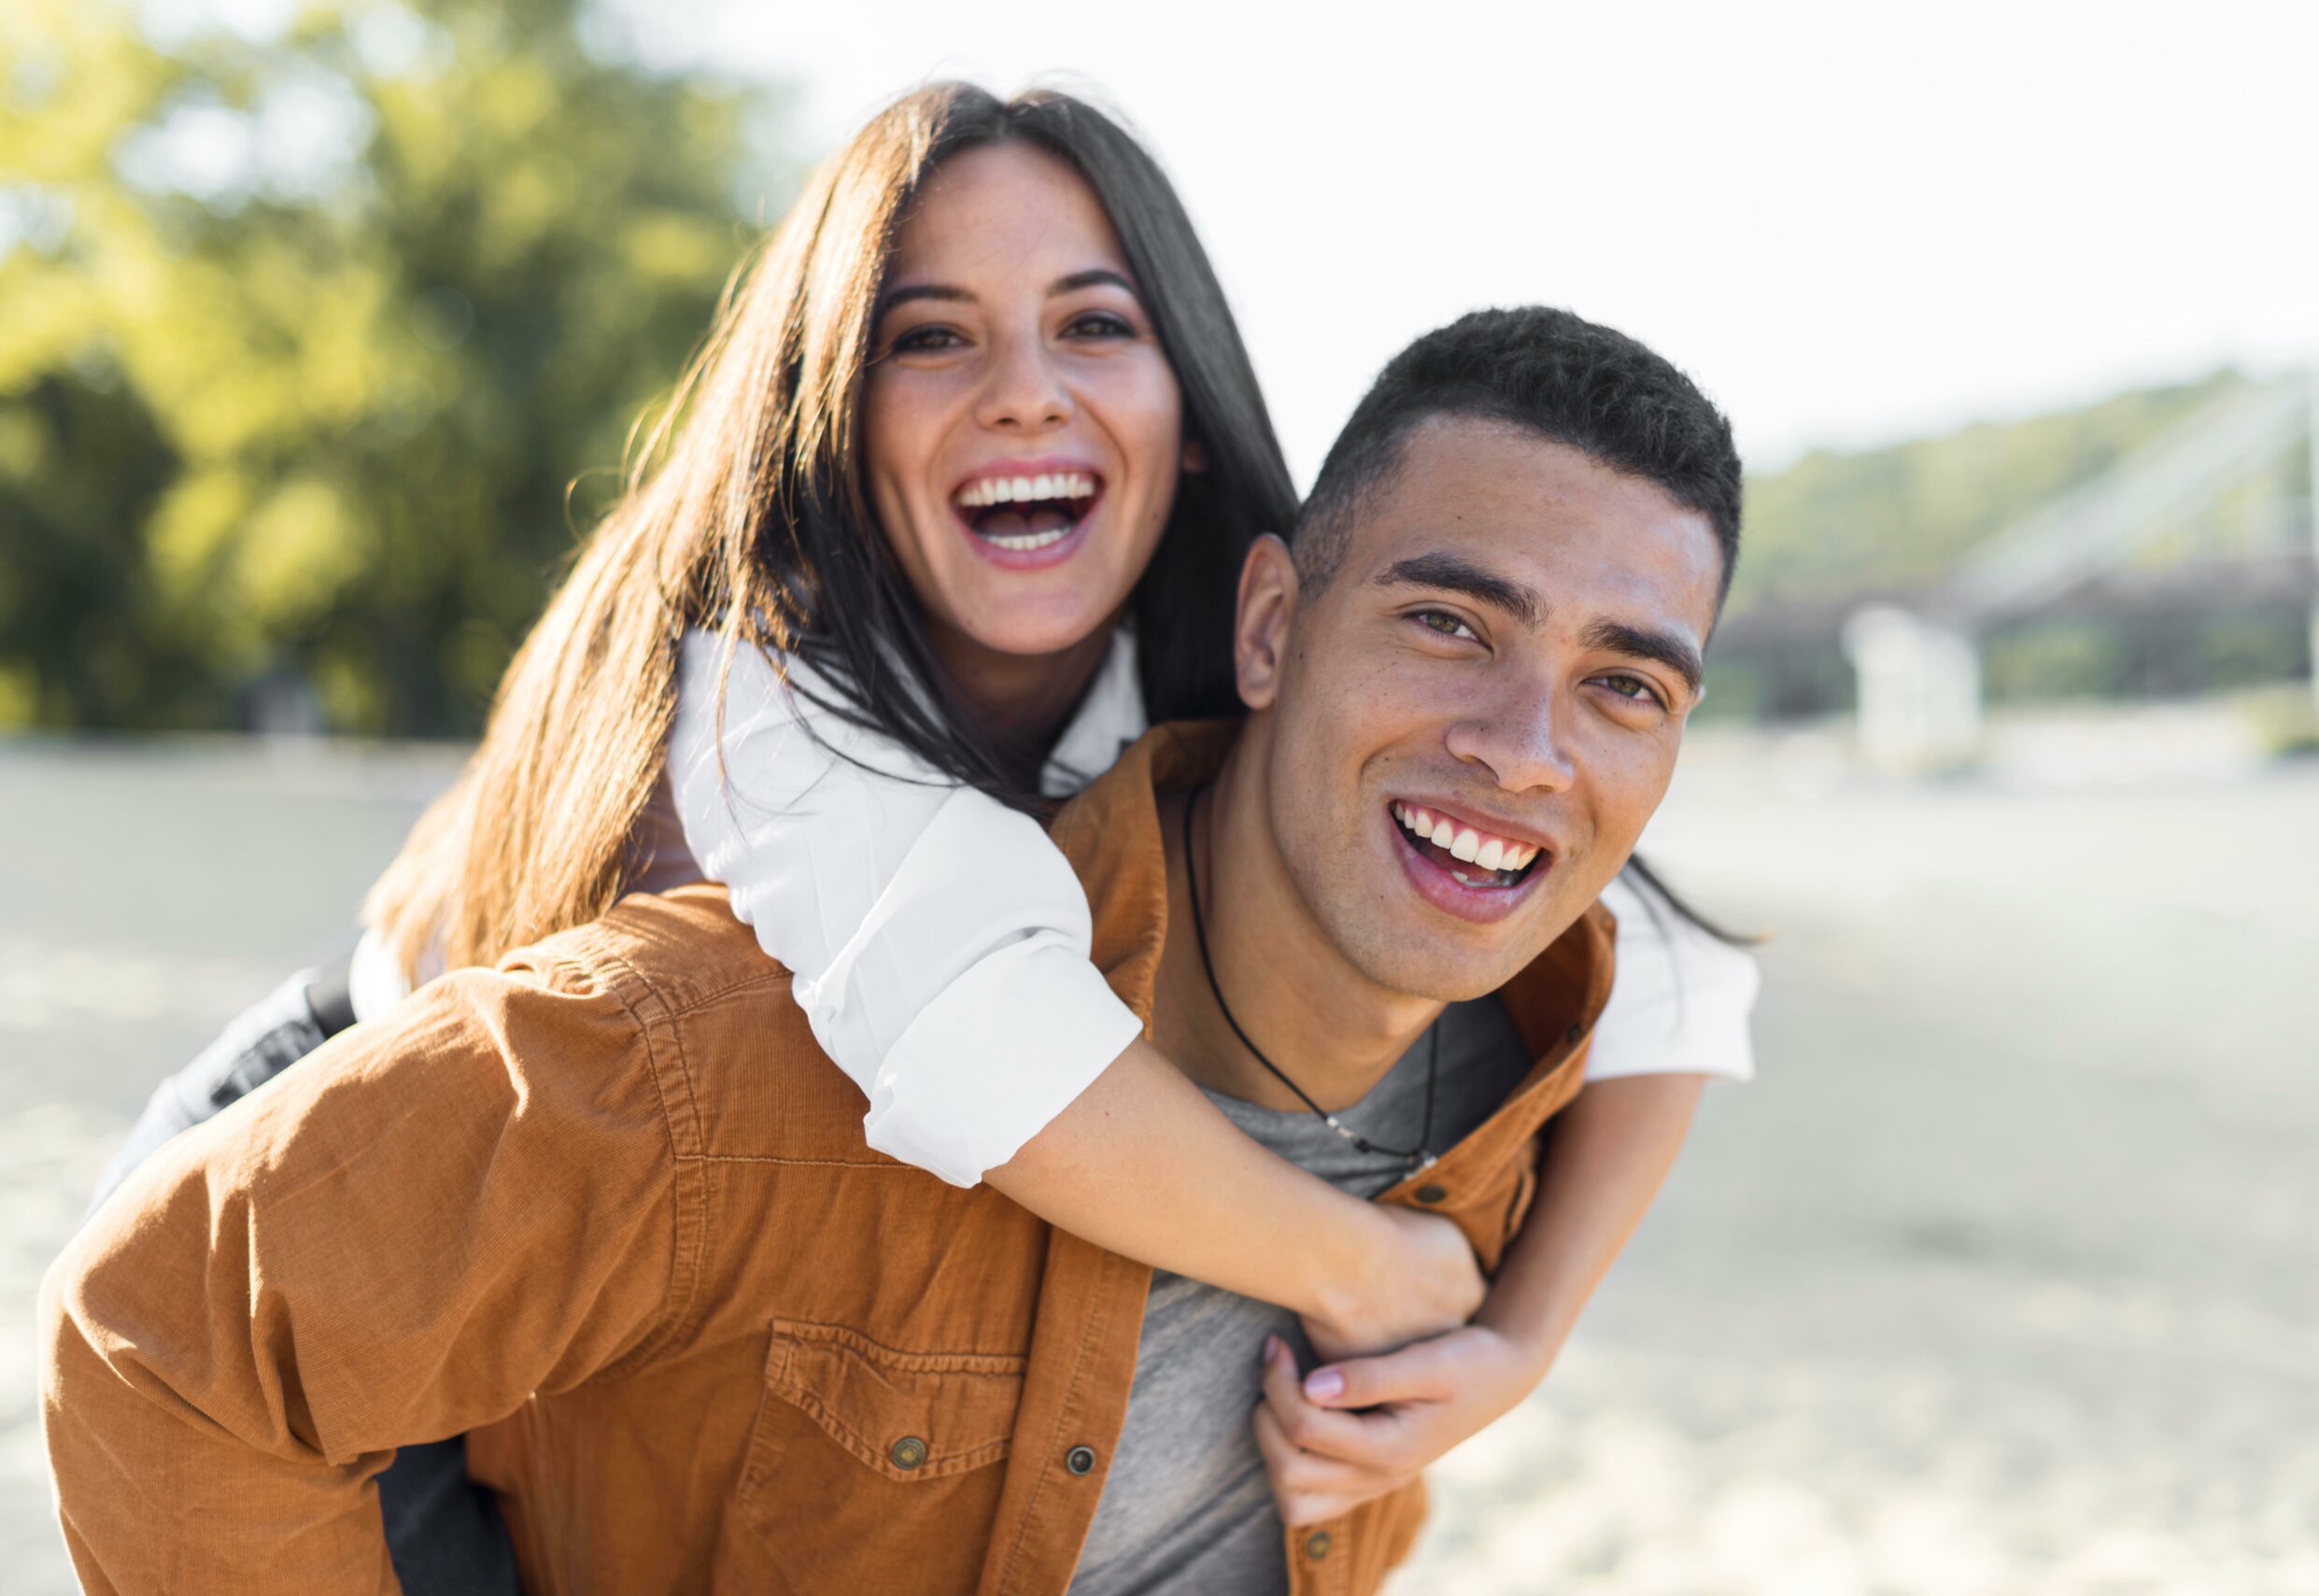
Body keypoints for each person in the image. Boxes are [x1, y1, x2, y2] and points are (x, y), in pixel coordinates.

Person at [80, 83, 1754, 1588]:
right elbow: (973, 1036)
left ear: (1183, 390)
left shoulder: (1233, 645)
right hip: (363, 1123)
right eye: (929, 335)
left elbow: (1663, 960)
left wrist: (1521, 1339)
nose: (1025, 394)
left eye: (1094, 325)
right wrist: (1367, 1265)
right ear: (832, 400)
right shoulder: (754, 705)